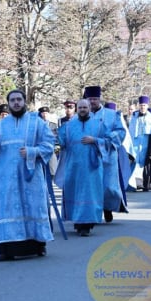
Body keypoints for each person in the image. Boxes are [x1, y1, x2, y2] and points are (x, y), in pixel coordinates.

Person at [0, 89, 54, 261]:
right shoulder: (0, 126)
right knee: (8, 210)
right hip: (7, 178)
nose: (16, 103)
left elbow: (49, 144)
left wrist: (33, 151)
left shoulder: (37, 122)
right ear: (8, 104)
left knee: (33, 207)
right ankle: (6, 250)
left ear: (25, 102)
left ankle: (39, 246)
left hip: (30, 177)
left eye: (19, 99)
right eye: (12, 100)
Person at [56, 99, 106, 236]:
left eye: (85, 107)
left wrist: (95, 140)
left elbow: (108, 142)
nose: (82, 109)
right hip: (74, 166)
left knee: (90, 193)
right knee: (75, 192)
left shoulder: (99, 124)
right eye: (80, 107)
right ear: (77, 109)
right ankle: (78, 223)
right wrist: (56, 138)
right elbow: (61, 142)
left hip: (92, 167)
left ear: (89, 108)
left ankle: (87, 224)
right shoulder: (68, 126)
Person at [85, 86, 126, 222]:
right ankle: (93, 213)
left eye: (95, 99)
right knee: (91, 186)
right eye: (90, 99)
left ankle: (107, 208)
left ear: (99, 99)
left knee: (108, 186)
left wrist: (106, 139)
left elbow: (120, 132)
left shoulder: (112, 114)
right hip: (88, 154)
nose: (92, 102)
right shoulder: (82, 114)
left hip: (107, 154)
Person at [129, 95, 151, 191]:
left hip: (146, 144)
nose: (142, 107)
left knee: (147, 164)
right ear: (138, 105)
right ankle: (132, 185)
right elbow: (131, 130)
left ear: (147, 106)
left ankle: (146, 184)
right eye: (141, 105)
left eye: (144, 105)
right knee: (133, 163)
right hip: (135, 144)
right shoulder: (134, 117)